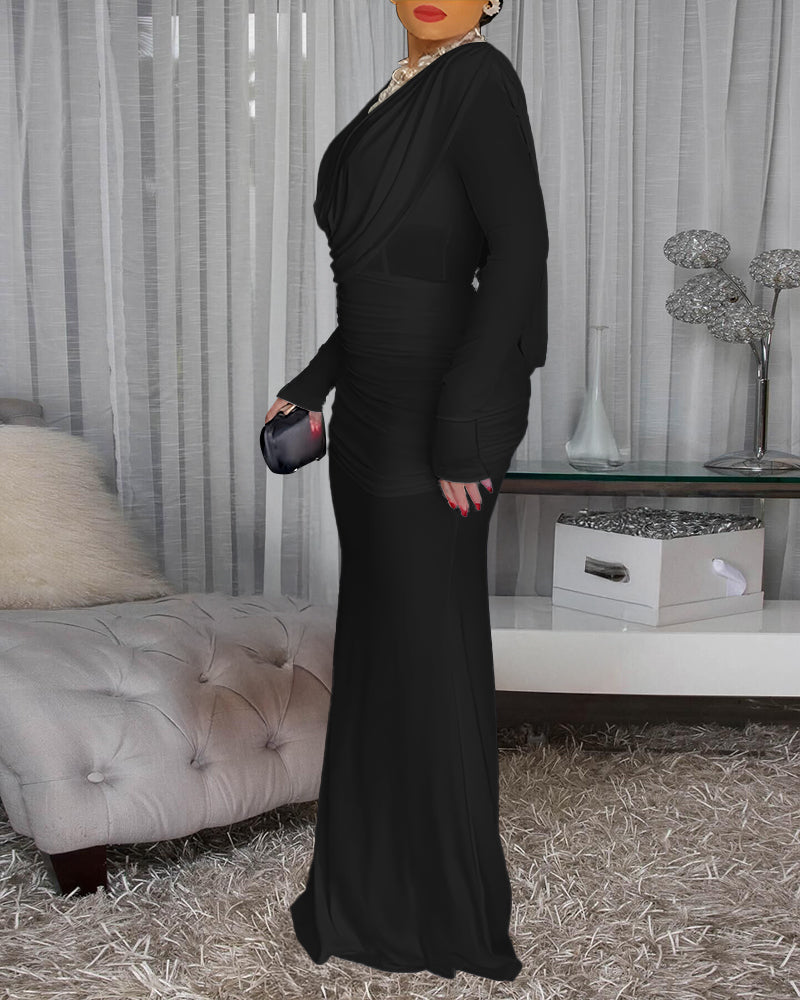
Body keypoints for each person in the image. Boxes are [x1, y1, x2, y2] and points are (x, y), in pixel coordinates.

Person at [264, 0, 548, 981]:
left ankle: (443, 912)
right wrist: (312, 384)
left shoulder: (479, 81)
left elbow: (516, 259)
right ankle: (362, 891)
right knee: (381, 645)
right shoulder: (395, 95)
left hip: (443, 418)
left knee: (429, 651)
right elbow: (383, 285)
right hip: (368, 418)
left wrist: (463, 430)